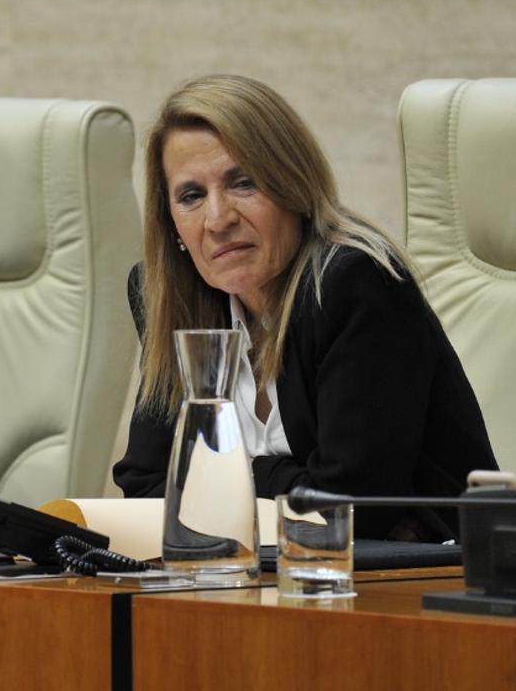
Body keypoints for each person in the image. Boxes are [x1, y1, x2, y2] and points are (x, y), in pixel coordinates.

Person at [112, 75, 497, 540]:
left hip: (424, 577)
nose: (218, 219)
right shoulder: (167, 296)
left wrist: (225, 479)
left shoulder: (354, 283)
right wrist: (285, 478)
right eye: (191, 196)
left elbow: (352, 506)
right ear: (170, 222)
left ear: (293, 185)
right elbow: (147, 484)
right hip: (256, 576)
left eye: (244, 183)